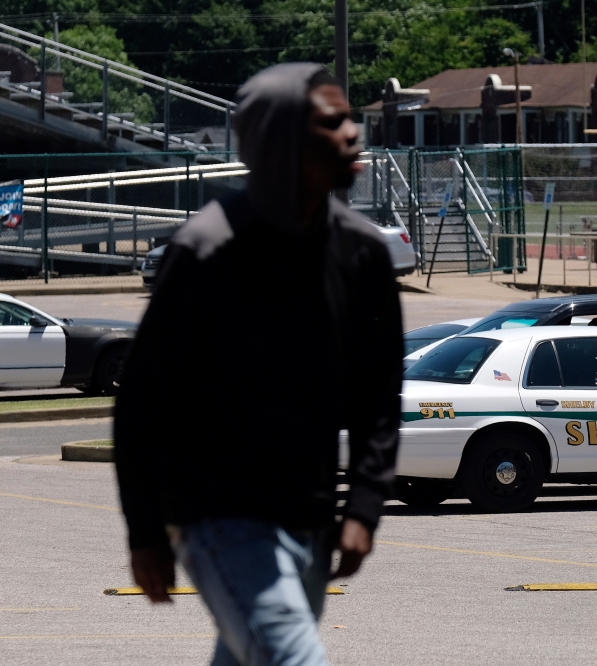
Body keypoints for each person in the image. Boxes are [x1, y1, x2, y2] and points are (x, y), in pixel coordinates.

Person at [114, 63, 402, 665]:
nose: (354, 132)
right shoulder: (206, 251)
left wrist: (366, 506)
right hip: (218, 517)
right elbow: (142, 402)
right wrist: (146, 533)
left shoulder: (363, 254)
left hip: (310, 519)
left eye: (351, 117)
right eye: (332, 122)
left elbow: (378, 395)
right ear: (282, 143)